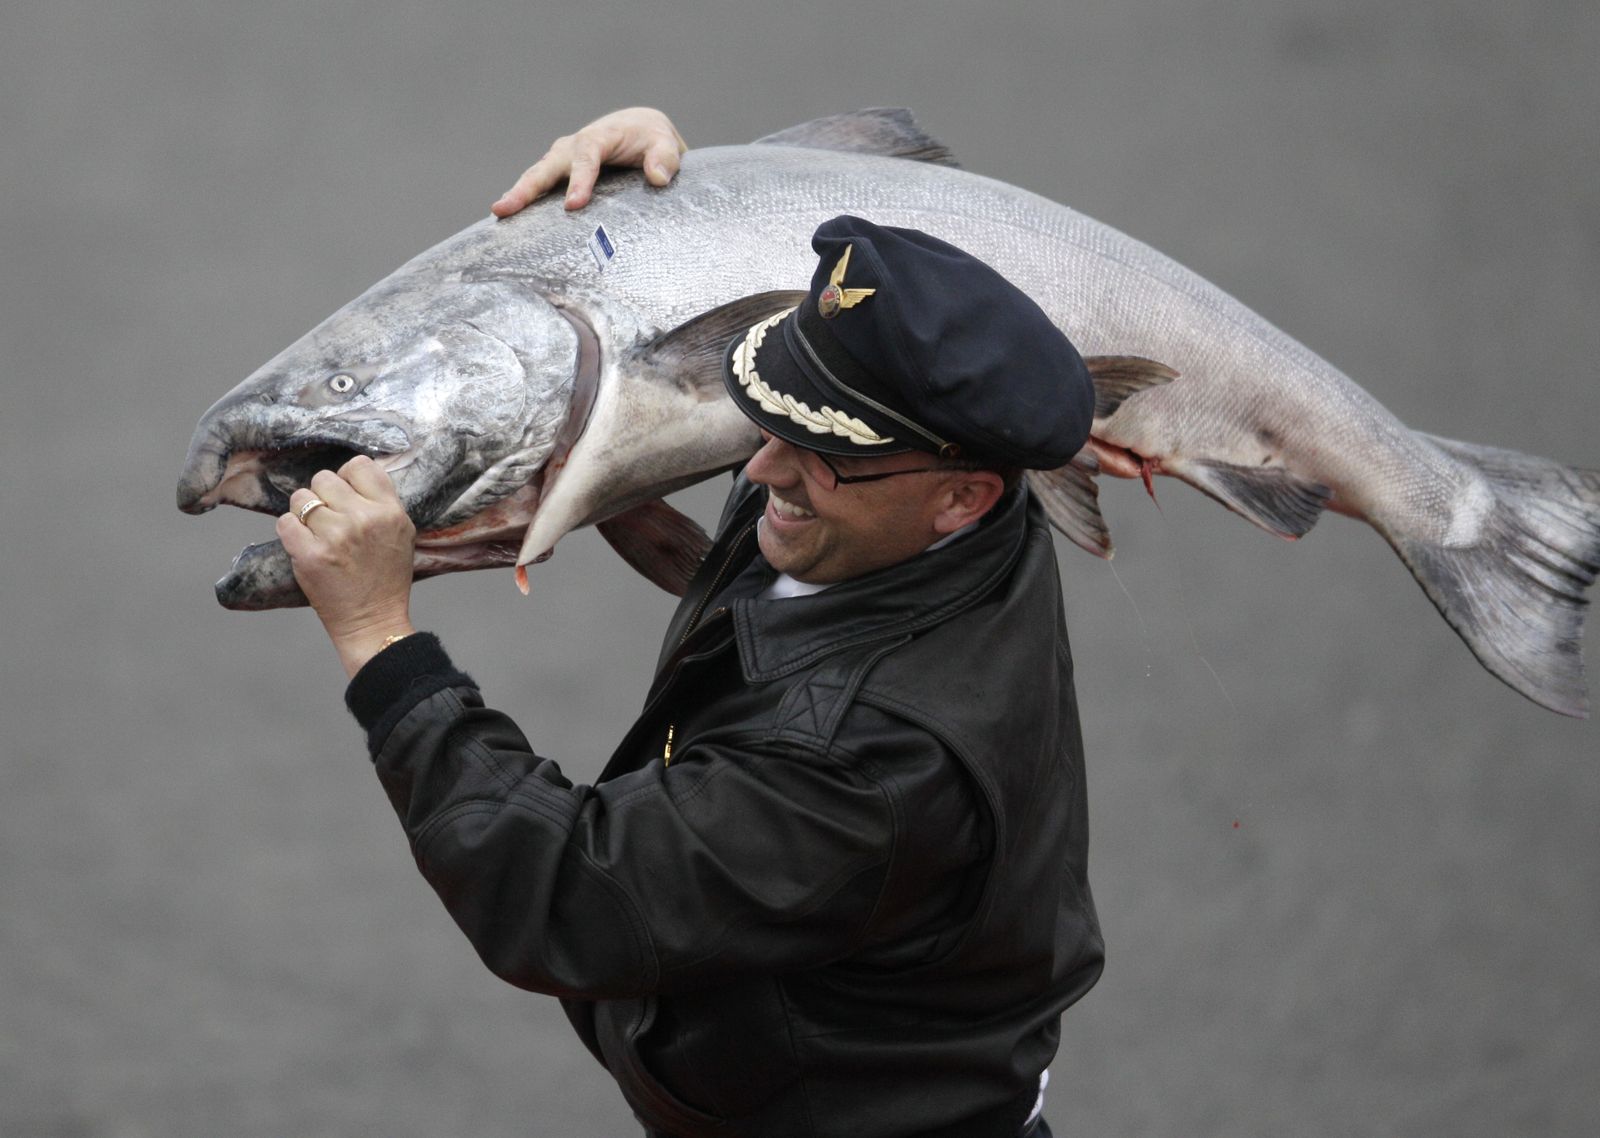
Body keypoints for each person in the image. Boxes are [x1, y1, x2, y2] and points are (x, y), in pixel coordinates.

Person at [277, 108, 1104, 1138]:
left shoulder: (864, 766)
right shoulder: (926, 514)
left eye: (820, 457)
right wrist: (655, 206)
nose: (758, 474)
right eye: (774, 417)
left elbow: (570, 894)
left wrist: (380, 642)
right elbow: (777, 548)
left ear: (963, 497)